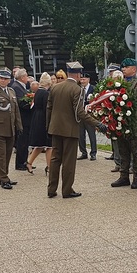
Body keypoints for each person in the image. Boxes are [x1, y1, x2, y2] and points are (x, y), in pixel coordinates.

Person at [46, 62, 107, 198]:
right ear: (79, 74)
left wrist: (48, 127)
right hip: (70, 129)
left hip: (55, 128)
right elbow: (79, 112)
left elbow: (49, 109)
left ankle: (51, 189)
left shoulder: (55, 88)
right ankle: (67, 190)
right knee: (68, 161)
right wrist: (97, 123)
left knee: (55, 159)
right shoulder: (77, 89)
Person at [110, 58, 137, 189]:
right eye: (122, 67)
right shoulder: (120, 82)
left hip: (134, 123)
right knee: (123, 150)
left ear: (134, 69)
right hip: (121, 122)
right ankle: (123, 176)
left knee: (136, 151)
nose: (123, 69)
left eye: (126, 67)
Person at [27, 73, 53, 175]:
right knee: (49, 145)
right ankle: (50, 167)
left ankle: (29, 162)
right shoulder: (46, 93)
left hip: (37, 118)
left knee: (40, 145)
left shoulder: (38, 92)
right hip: (43, 119)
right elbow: (47, 108)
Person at [12, 68, 32, 171]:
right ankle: (20, 163)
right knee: (22, 141)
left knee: (25, 141)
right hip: (22, 118)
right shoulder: (16, 87)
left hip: (26, 118)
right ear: (22, 77)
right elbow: (21, 102)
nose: (28, 78)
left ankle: (24, 161)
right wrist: (31, 103)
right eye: (27, 76)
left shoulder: (21, 86)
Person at [78, 73, 98, 160]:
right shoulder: (78, 89)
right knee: (80, 135)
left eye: (84, 79)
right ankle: (83, 152)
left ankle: (93, 153)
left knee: (91, 134)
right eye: (81, 79)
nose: (82, 81)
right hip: (80, 115)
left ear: (88, 79)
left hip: (90, 115)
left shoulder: (93, 88)